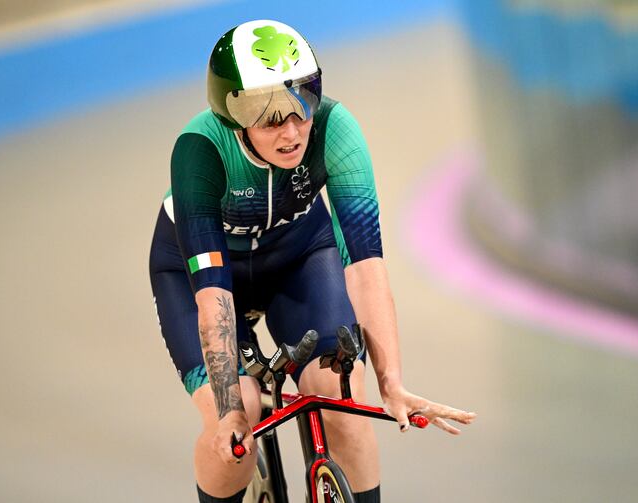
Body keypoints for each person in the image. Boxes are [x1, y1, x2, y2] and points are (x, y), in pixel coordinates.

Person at [148, 19, 476, 503]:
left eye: (303, 104)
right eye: (269, 119)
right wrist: (230, 411)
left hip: (299, 256)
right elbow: (214, 295)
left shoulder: (336, 130)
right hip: (204, 277)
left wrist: (391, 383)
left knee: (341, 398)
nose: (292, 131)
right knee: (241, 417)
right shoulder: (201, 150)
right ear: (234, 119)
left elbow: (366, 267)